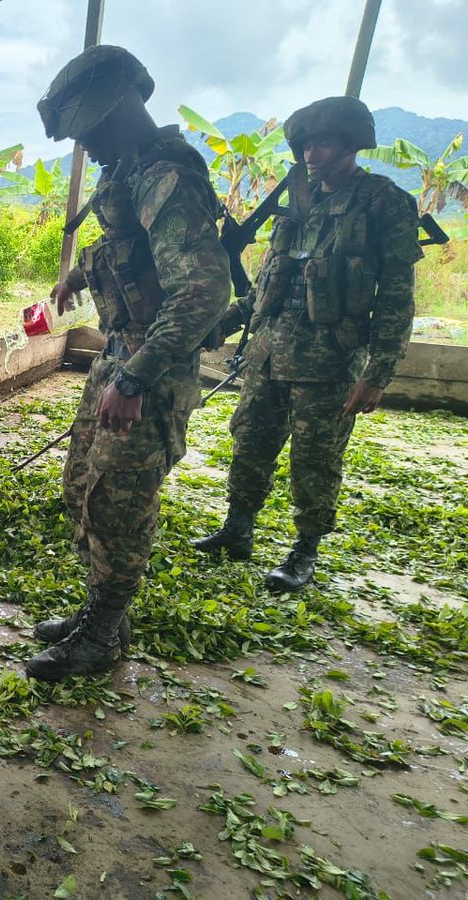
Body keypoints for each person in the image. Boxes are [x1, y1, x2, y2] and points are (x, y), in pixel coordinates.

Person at [24, 46, 231, 680]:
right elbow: (129, 252)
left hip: (150, 365)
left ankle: (104, 635)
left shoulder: (167, 176)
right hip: (118, 354)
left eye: (87, 128)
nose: (84, 141)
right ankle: (100, 613)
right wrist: (79, 278)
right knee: (83, 488)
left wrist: (137, 377)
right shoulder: (129, 168)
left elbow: (203, 290)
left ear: (119, 109)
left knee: (119, 501)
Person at [192, 96, 421, 591]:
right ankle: (238, 530)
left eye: (324, 143)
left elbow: (398, 297)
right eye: (306, 145)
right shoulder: (295, 199)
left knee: (315, 461)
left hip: (330, 362)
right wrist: (224, 324)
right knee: (249, 443)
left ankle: (304, 553)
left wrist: (377, 373)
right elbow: (269, 284)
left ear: (351, 145)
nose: (312, 154)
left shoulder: (383, 202)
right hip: (268, 352)